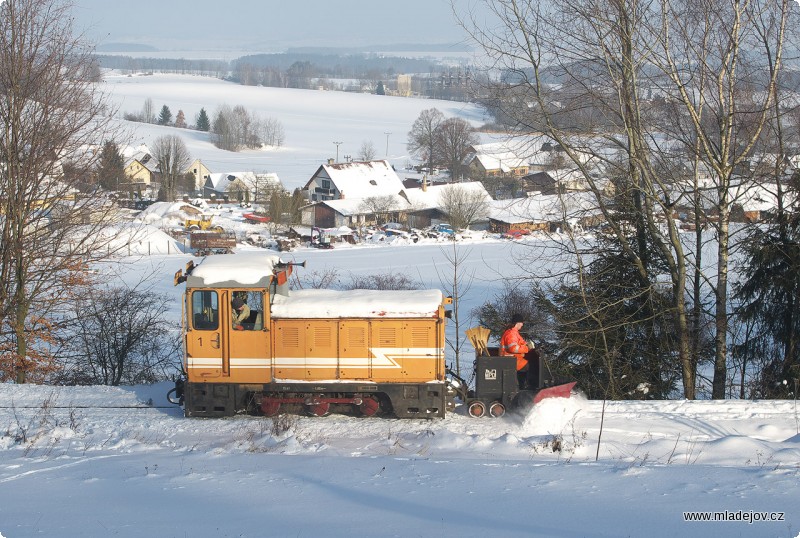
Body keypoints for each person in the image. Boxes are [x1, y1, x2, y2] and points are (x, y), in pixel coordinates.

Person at [500, 313, 537, 389]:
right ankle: (530, 389)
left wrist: (527, 344)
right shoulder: (511, 334)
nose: (522, 325)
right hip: (511, 361)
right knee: (532, 366)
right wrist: (527, 349)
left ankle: (522, 386)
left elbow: (520, 344)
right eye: (522, 323)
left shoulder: (514, 333)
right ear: (518, 323)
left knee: (529, 364)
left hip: (514, 359)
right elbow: (513, 348)